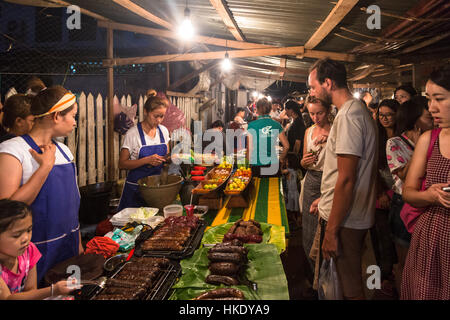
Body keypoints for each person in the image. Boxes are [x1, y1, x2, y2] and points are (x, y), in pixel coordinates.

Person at [308, 58, 377, 300]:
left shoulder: (349, 115)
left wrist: (331, 231)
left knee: (350, 288)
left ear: (328, 83)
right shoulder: (352, 112)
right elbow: (341, 173)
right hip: (348, 213)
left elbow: (347, 179)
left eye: (313, 87)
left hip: (348, 220)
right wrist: (325, 200)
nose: (312, 93)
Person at [0, 86, 82, 285]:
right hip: (33, 256)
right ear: (56, 116)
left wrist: (78, 245)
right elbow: (6, 210)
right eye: (72, 115)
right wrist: (44, 167)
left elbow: (72, 205)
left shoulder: (64, 151)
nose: (75, 122)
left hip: (68, 249)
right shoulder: (13, 151)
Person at [385, 96, 434, 295]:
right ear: (416, 120)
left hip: (427, 202)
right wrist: (421, 147)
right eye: (428, 117)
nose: (433, 120)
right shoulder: (395, 143)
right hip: (403, 204)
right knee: (405, 260)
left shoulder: (437, 139)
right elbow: (403, 174)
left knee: (424, 261)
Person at [0, 199, 73, 299]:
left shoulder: (29, 251)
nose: (26, 238)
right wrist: (53, 290)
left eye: (29, 230)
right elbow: (7, 298)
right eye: (17, 235)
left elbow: (31, 291)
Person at [118, 93, 170, 211]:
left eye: (162, 116)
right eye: (155, 116)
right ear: (146, 112)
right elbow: (122, 164)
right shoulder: (133, 134)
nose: (159, 120)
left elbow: (166, 156)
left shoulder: (164, 131)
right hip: (136, 192)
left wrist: (171, 158)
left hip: (156, 191)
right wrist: (147, 160)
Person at [370, 99, 400, 297]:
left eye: (389, 114)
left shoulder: (404, 137)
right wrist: (380, 192)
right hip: (379, 195)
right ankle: (381, 277)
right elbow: (371, 168)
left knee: (397, 237)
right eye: (381, 115)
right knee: (381, 238)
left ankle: (394, 275)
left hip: (400, 194)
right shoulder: (376, 138)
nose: (385, 118)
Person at [300, 96, 331, 274]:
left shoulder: (336, 130)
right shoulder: (309, 131)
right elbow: (303, 163)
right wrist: (305, 161)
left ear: (328, 110)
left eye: (319, 113)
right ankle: (313, 276)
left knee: (327, 230)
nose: (316, 117)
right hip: (312, 179)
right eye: (312, 113)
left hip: (329, 180)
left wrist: (330, 139)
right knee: (309, 230)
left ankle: (326, 277)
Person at [246, 97, 289, 177]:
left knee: (257, 188)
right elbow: (286, 146)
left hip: (256, 164)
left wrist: (248, 165)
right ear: (270, 109)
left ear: (257, 109)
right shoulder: (277, 125)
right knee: (273, 188)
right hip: (273, 164)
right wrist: (281, 159)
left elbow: (250, 149)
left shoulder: (251, 125)